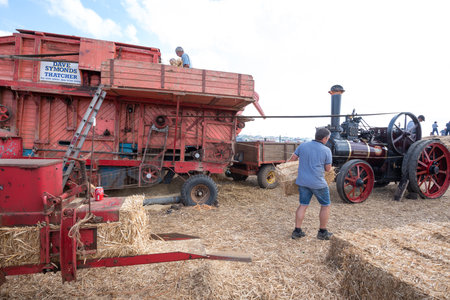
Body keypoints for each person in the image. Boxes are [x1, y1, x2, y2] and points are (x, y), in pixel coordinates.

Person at [289, 127, 333, 240]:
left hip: (302, 181)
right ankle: (322, 232)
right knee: (325, 205)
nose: (328, 140)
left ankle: (297, 230)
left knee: (303, 205)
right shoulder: (326, 150)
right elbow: (328, 169)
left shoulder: (303, 145)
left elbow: (292, 159)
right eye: (328, 138)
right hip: (318, 183)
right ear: (324, 138)